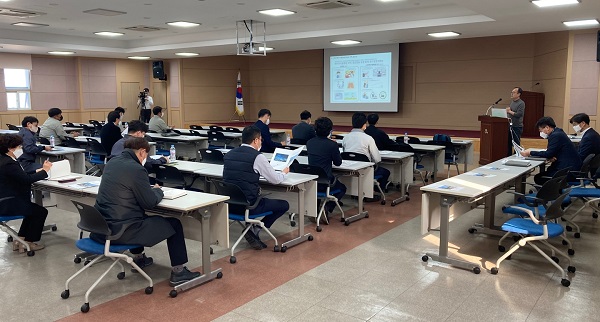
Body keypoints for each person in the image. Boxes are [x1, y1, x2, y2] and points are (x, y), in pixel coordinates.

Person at [92, 137, 200, 286]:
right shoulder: (136, 168)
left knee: (137, 214)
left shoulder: (112, 162)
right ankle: (179, 271)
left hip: (102, 227)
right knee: (174, 223)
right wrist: (158, 191)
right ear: (142, 152)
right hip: (122, 231)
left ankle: (139, 258)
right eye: (147, 155)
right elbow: (149, 203)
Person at [223, 125, 290, 250]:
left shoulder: (229, 154)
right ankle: (255, 229)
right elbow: (275, 180)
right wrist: (284, 173)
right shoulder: (257, 156)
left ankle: (252, 229)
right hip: (249, 206)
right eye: (260, 140)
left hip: (229, 204)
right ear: (256, 140)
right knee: (284, 204)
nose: (261, 142)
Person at [0, 134, 52, 252]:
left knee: (31, 211)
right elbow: (26, 180)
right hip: (8, 203)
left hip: (6, 199)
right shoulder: (9, 163)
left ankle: (21, 239)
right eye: (19, 146)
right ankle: (29, 242)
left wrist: (35, 171)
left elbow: (19, 175)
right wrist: (44, 171)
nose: (21, 149)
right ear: (10, 148)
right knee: (40, 212)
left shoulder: (4, 159)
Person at [521, 117, 582, 185]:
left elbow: (548, 153)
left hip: (568, 170)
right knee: (547, 171)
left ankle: (549, 193)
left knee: (538, 178)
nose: (541, 133)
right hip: (570, 167)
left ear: (547, 127)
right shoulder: (558, 132)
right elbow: (553, 151)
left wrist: (530, 152)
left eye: (541, 131)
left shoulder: (555, 135)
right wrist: (553, 155)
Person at [307, 117, 346, 216]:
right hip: (326, 182)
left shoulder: (310, 142)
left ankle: (316, 209)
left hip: (312, 181)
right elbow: (338, 163)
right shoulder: (332, 145)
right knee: (342, 188)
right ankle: (328, 207)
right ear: (330, 131)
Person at [342, 112, 390, 193]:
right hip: (365, 169)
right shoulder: (368, 138)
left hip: (349, 169)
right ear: (364, 125)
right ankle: (376, 191)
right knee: (386, 172)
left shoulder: (346, 138)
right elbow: (377, 159)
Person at [506, 87, 525, 155]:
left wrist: (510, 111)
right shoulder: (512, 102)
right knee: (508, 142)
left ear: (519, 94)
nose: (512, 94)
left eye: (513, 92)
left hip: (517, 126)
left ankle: (517, 155)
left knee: (516, 143)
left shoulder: (521, 103)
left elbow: (519, 114)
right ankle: (508, 156)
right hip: (510, 125)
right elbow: (511, 112)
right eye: (512, 92)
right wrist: (508, 112)